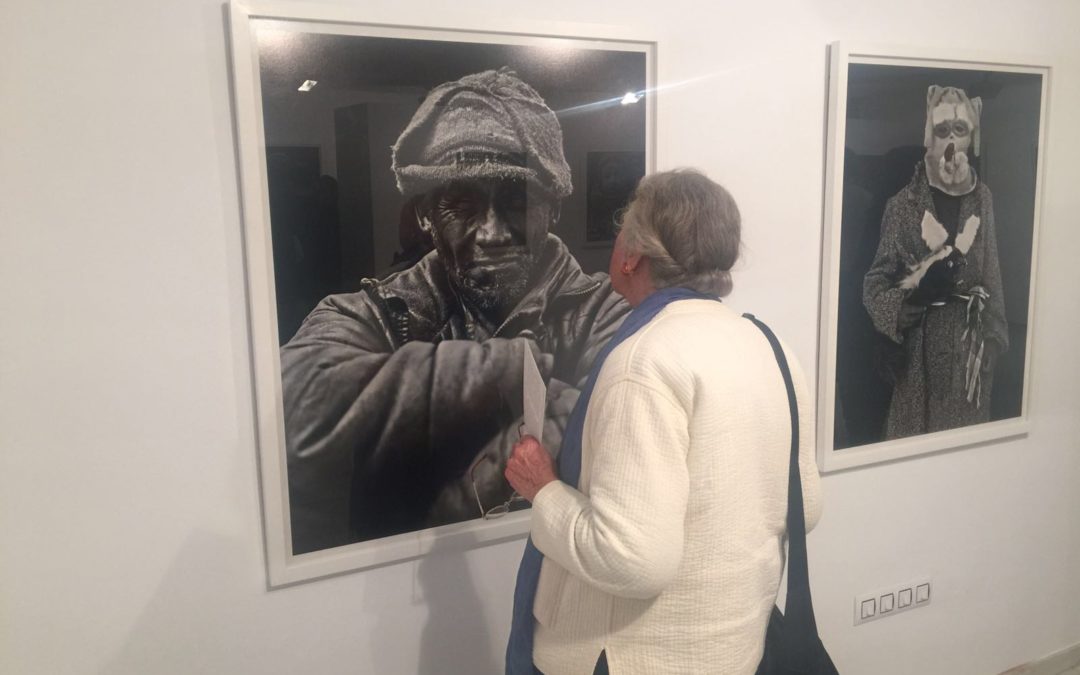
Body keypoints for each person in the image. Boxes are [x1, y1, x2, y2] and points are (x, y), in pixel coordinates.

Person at [280, 68, 629, 554]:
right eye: (461, 205)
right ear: (424, 216)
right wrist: (516, 370)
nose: (490, 232)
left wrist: (407, 474)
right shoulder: (377, 311)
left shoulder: (609, 315)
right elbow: (295, 413)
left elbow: (625, 449)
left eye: (515, 201)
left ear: (553, 209)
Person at [504, 169, 823, 674]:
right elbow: (801, 509)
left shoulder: (643, 362)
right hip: (735, 650)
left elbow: (633, 559)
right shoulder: (770, 345)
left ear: (631, 255)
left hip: (632, 658)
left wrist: (541, 489)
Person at [862, 85, 1008, 440]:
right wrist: (897, 309)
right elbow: (874, 283)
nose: (951, 142)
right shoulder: (903, 205)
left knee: (964, 451)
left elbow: (992, 272)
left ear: (971, 137)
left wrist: (993, 335)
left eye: (959, 131)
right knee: (915, 446)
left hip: (967, 350)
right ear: (929, 136)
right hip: (919, 354)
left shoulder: (982, 199)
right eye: (942, 131)